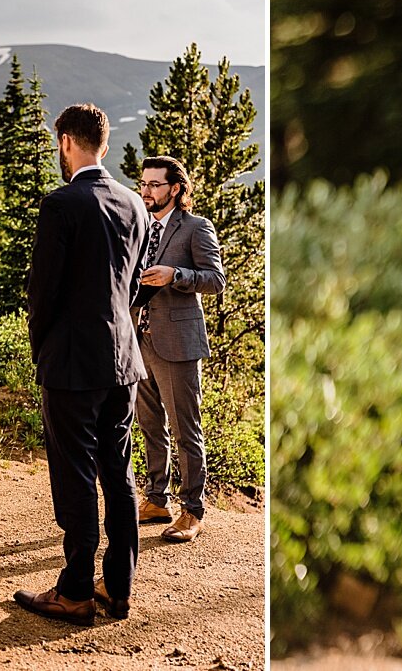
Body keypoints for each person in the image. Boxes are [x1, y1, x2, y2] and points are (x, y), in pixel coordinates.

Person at [14, 103, 147, 626]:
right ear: (105, 145)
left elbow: (41, 292)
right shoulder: (135, 204)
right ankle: (118, 589)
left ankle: (73, 593)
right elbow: (132, 284)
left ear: (67, 142)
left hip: (72, 362)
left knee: (74, 478)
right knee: (117, 474)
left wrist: (41, 348)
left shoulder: (61, 204)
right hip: (123, 361)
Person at [131, 155, 226, 543]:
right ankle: (157, 499)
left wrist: (176, 275)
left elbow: (216, 279)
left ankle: (193, 510)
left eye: (154, 184)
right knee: (150, 425)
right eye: (143, 183)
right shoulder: (139, 228)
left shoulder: (196, 228)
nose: (146, 191)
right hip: (138, 340)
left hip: (178, 344)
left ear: (175, 189)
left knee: (186, 430)